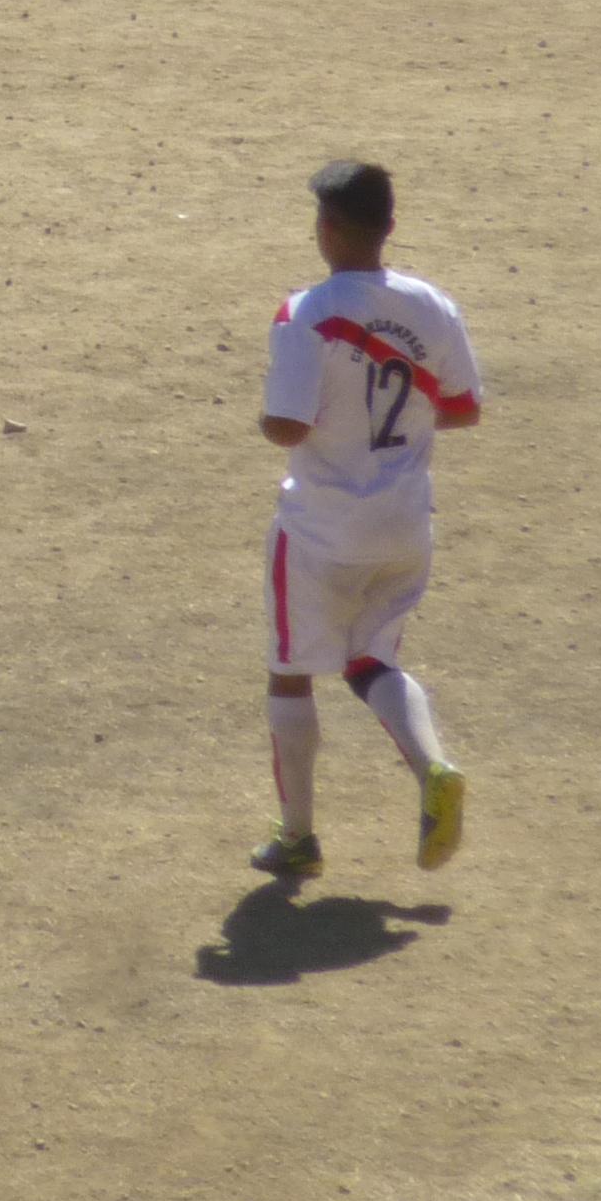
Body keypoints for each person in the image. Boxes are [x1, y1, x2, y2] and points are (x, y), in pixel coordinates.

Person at [252, 156, 482, 879]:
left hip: (321, 529)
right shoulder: (433, 305)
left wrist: (278, 420)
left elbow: (288, 426)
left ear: (326, 230)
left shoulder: (307, 313)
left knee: (291, 672)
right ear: (388, 226)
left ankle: (297, 840)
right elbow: (464, 408)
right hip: (405, 524)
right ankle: (433, 764)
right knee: (369, 660)